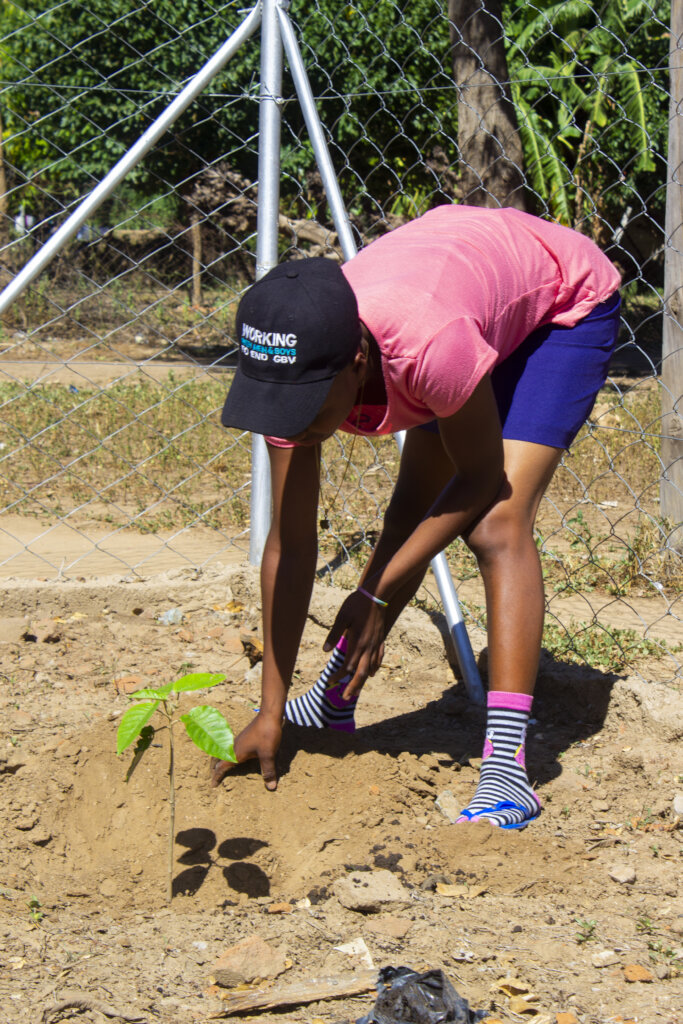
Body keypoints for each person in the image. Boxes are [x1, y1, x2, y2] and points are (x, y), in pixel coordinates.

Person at [215, 203, 621, 829]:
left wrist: (373, 595)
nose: (291, 422)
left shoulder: (428, 348)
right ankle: (328, 701)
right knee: (411, 507)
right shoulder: (295, 363)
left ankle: (508, 771)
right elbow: (290, 547)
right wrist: (269, 709)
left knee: (496, 522)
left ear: (355, 364)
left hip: (557, 308)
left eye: (307, 407)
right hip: (462, 292)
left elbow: (482, 479)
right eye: (278, 403)